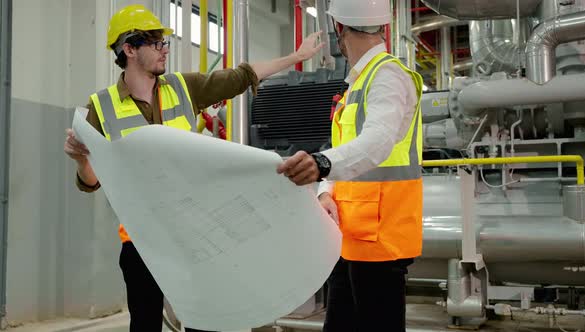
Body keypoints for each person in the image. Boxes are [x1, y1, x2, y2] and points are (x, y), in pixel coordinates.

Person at [63, 4, 323, 332]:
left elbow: (243, 76)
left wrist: (295, 56)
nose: (165, 50)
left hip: (195, 235)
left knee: (208, 321)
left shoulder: (184, 88)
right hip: (141, 240)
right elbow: (91, 182)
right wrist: (81, 159)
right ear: (129, 49)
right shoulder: (100, 108)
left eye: (164, 43)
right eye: (156, 43)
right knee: (144, 323)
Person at [276, 0, 424, 331]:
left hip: (381, 238)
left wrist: (321, 165)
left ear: (339, 30)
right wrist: (326, 192)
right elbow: (346, 148)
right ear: (382, 26)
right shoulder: (359, 81)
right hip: (351, 232)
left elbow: (378, 141)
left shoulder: (387, 75)